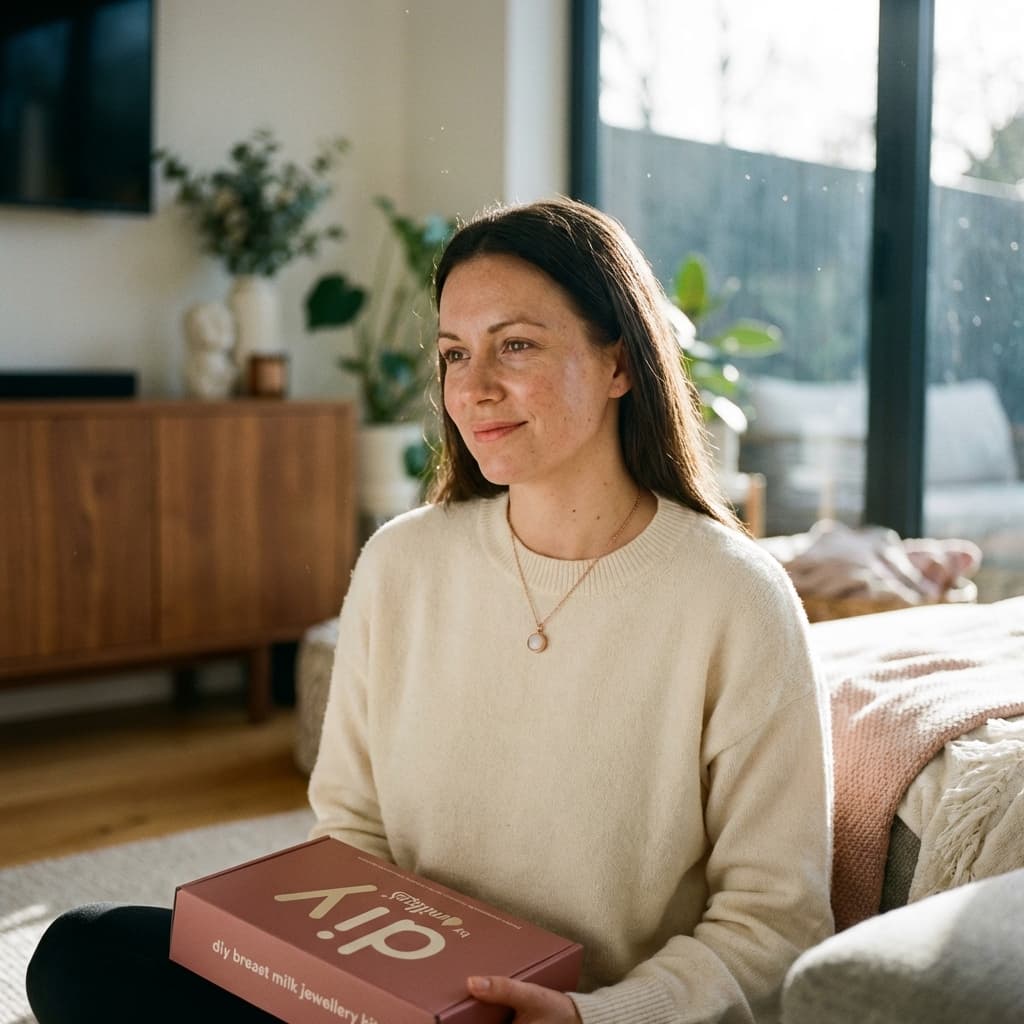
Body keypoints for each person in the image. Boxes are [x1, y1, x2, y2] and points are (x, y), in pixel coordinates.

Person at [26, 197, 833, 1024]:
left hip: (588, 1013)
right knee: (86, 949)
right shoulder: (402, 560)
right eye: (454, 353)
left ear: (619, 364)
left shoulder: (735, 598)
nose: (474, 388)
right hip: (383, 1002)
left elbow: (776, 924)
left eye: (515, 345)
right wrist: (338, 988)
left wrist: (604, 1016)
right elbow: (348, 830)